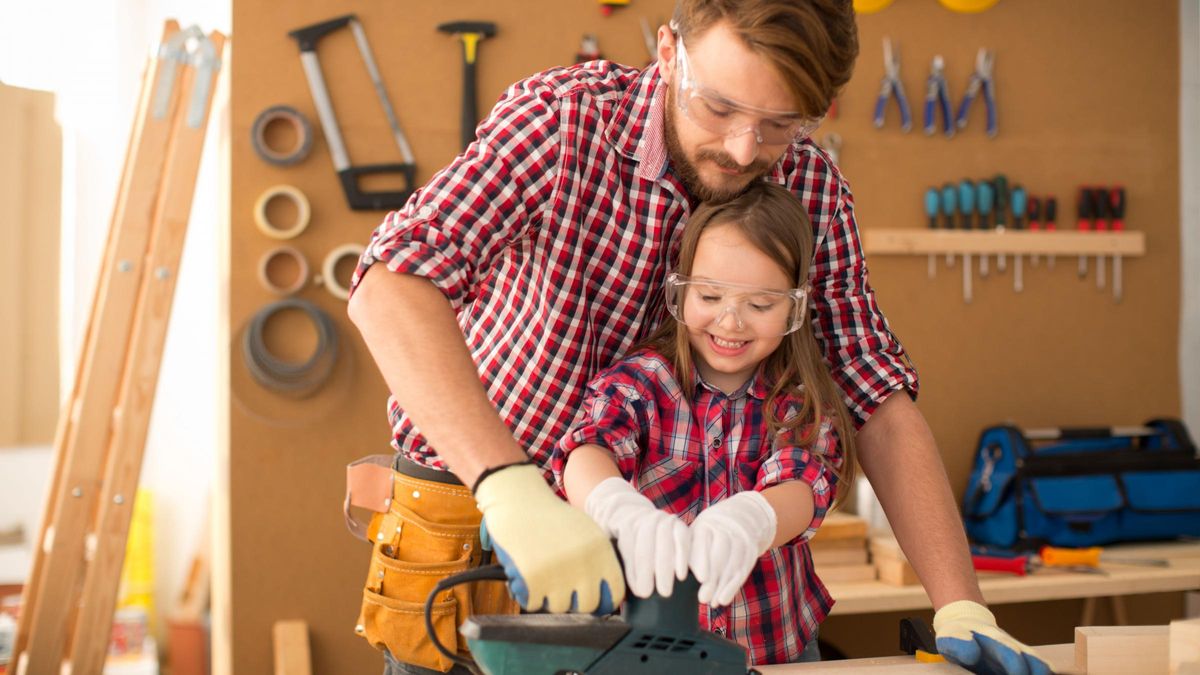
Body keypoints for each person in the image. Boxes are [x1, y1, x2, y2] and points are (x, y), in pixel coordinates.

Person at [347, 1, 1049, 673]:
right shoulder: (560, 123)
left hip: (666, 584)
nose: (744, 149)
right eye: (718, 108)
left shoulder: (810, 185)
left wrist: (960, 603)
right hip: (478, 515)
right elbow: (390, 285)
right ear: (669, 49)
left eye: (781, 123)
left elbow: (875, 395)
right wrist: (509, 486)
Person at [552, 181, 858, 665]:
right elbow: (588, 449)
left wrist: (754, 521)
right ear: (680, 291)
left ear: (795, 307)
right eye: (710, 296)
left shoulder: (796, 399)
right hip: (643, 657)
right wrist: (616, 506)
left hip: (773, 653)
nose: (731, 322)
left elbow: (804, 481)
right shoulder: (642, 382)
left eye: (760, 305)